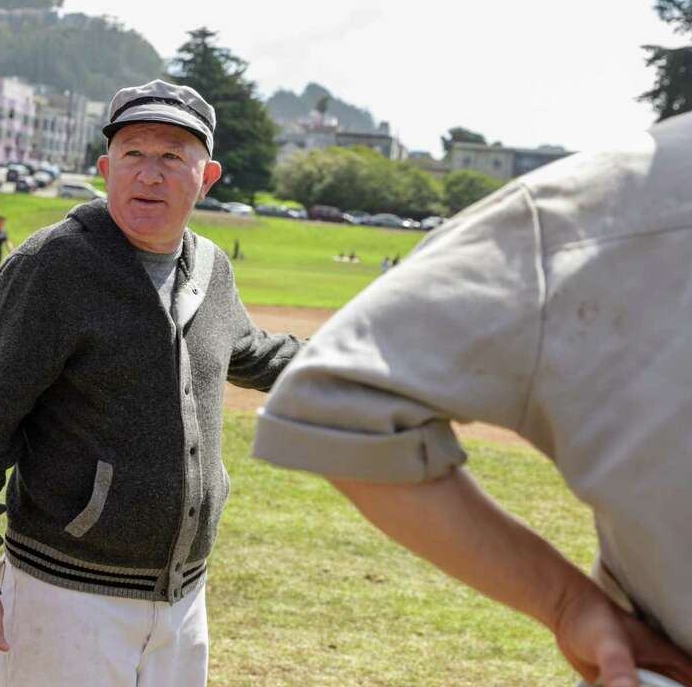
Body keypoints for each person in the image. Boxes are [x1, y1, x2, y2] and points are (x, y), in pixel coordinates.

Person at [252, 114, 692, 687]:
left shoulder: (616, 197)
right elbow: (335, 396)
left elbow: (334, 398)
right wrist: (565, 604)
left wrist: (567, 605)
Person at [0, 80, 303, 686]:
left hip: (183, 598)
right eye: (133, 154)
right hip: (65, 596)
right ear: (106, 168)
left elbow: (249, 351)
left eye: (172, 157)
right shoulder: (51, 268)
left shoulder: (211, 268)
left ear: (207, 175)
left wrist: (362, 364)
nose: (149, 175)